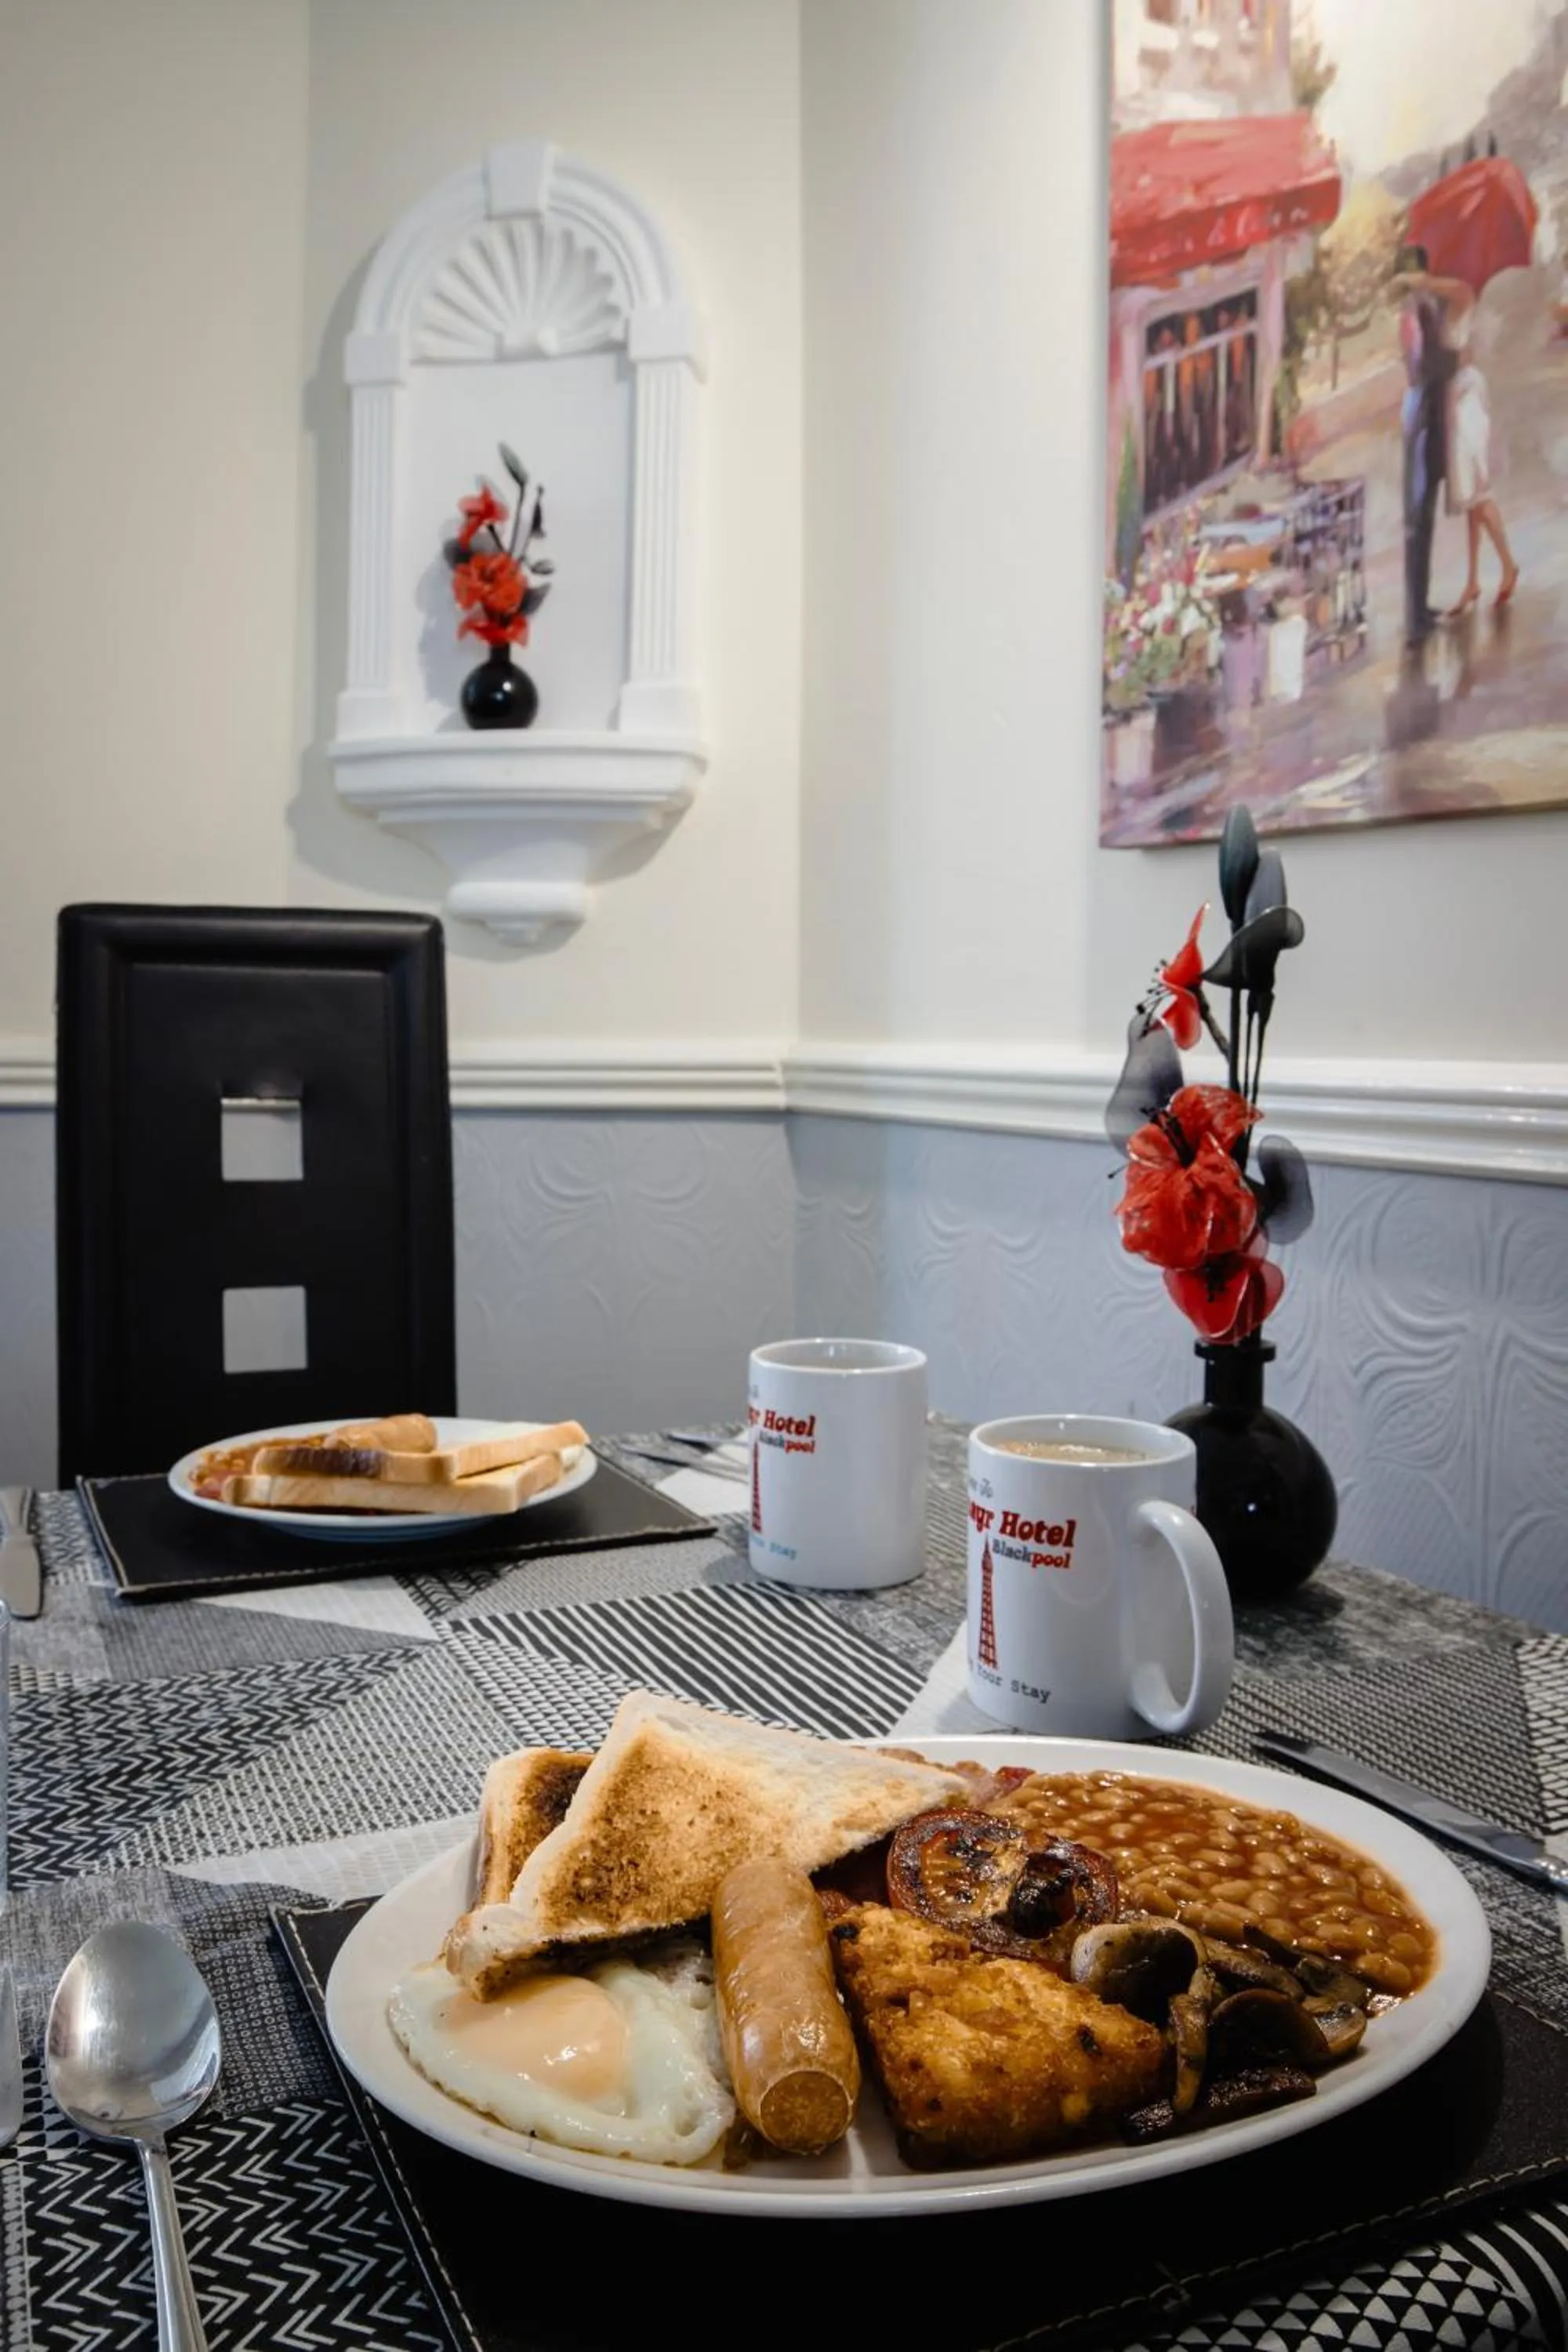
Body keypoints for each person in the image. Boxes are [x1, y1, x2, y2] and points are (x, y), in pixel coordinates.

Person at [1392, 244, 1457, 644]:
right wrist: (1452, 359)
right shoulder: (1412, 316)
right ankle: (1415, 612)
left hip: (1432, 420)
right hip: (1420, 419)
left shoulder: (1432, 309)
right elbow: (1419, 368)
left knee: (1426, 514)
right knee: (1416, 517)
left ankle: (1422, 605)